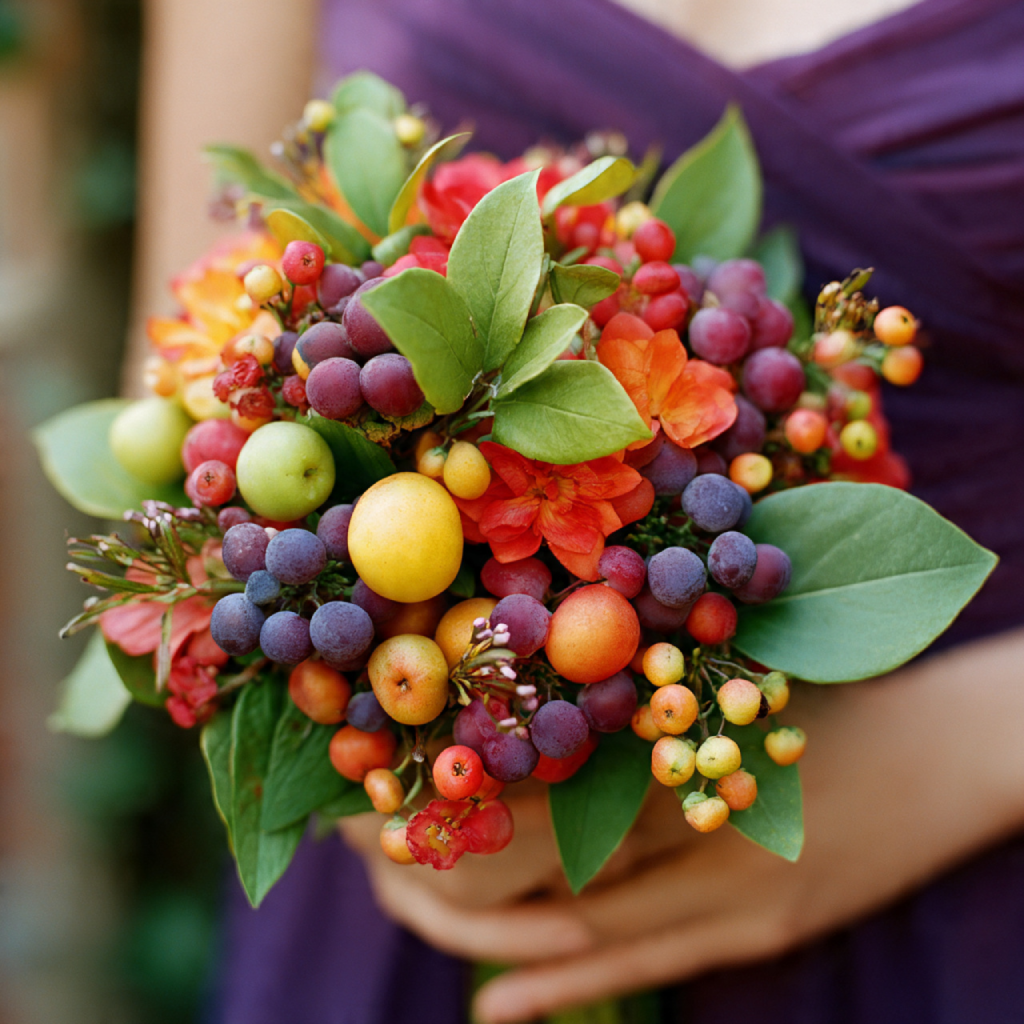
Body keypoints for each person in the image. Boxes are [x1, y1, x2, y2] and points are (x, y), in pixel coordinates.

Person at [133, 1, 1024, 1021]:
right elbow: (192, 389)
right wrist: (387, 765)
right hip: (429, 847)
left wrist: (964, 759)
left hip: (960, 879)